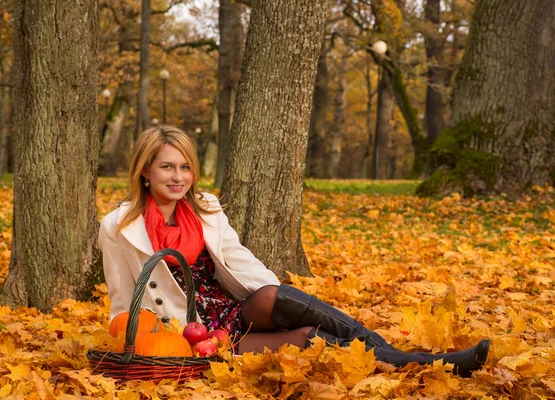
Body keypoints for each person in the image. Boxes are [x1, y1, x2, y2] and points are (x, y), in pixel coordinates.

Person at [99, 125, 490, 377]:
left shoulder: (205, 207)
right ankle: (424, 364)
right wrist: (154, 347)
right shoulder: (118, 227)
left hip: (231, 305)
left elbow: (238, 260)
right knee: (306, 336)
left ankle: (407, 357)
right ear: (145, 171)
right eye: (167, 167)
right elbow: (123, 304)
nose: (178, 177)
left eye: (185, 167)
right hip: (198, 332)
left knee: (277, 295)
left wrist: (276, 303)